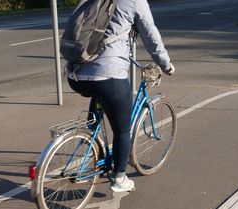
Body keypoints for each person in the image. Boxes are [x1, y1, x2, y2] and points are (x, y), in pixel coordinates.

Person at [66, 0, 175, 193]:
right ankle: (119, 178)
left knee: (99, 94)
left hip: (75, 74)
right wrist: (165, 64)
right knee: (123, 130)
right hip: (108, 76)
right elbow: (151, 35)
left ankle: (91, 139)